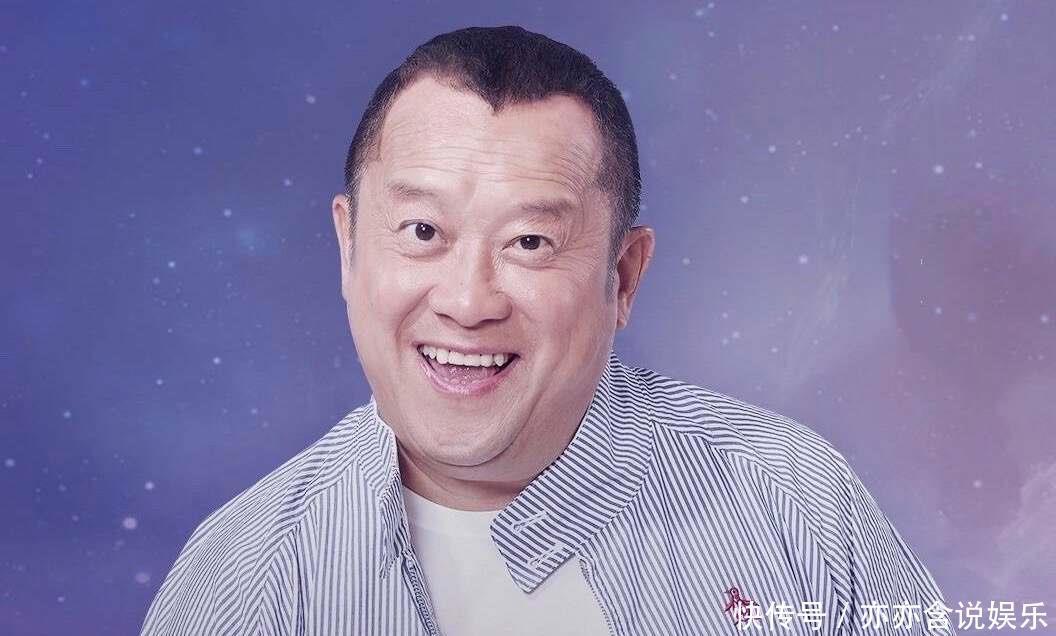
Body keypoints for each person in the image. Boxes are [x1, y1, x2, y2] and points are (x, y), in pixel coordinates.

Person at [142, 25, 955, 636]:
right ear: (349, 247)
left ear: (623, 277)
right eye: (423, 231)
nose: (468, 301)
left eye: (530, 242)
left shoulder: (792, 502)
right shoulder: (242, 579)